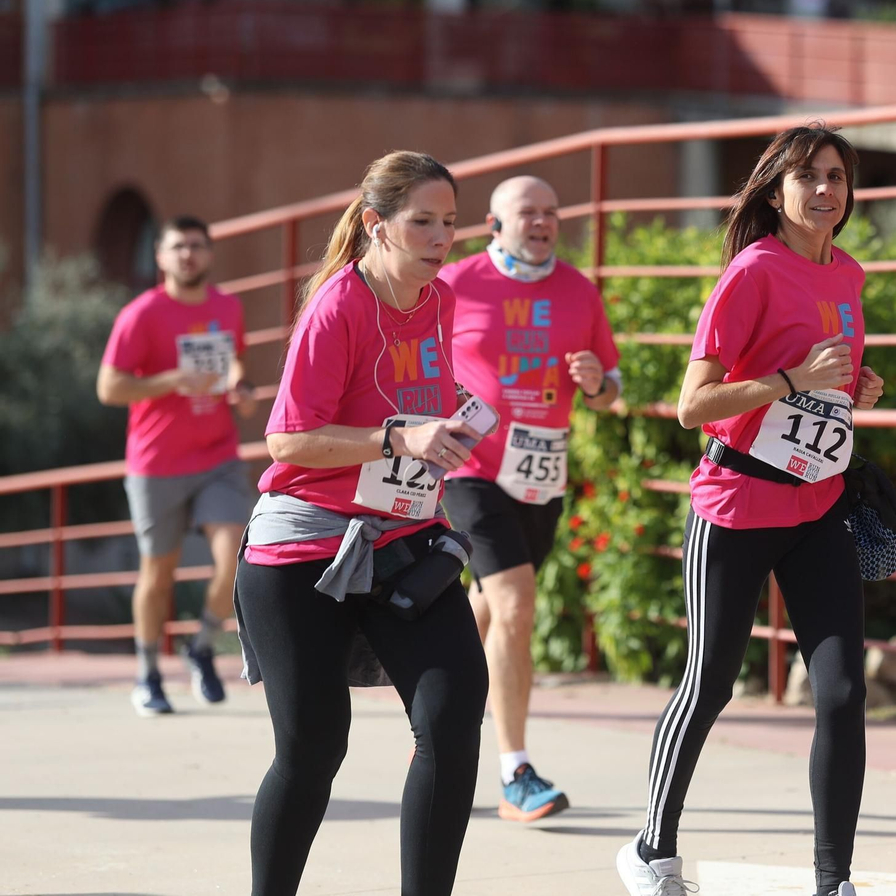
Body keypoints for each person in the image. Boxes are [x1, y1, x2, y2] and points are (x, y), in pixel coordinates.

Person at [616, 124, 885, 896]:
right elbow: (692, 403)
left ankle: (834, 881)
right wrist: (793, 380)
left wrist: (855, 386)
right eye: (808, 177)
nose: (825, 190)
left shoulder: (848, 274)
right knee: (710, 680)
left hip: (819, 507)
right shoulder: (753, 271)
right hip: (736, 504)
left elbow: (830, 374)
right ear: (775, 190)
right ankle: (650, 847)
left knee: (841, 690)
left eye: (836, 176)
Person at [233, 151, 488, 896]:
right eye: (423, 222)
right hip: (303, 544)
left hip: (403, 533)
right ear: (377, 225)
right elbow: (287, 441)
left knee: (451, 716)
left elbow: (408, 397)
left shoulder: (437, 300)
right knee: (314, 747)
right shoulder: (337, 306)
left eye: (449, 221)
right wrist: (399, 437)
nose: (442, 236)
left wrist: (446, 428)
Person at [438, 174, 621, 823]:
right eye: (527, 213)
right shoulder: (454, 284)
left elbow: (609, 388)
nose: (542, 222)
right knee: (516, 603)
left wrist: (598, 382)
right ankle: (514, 769)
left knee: (487, 606)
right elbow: (415, 361)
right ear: (494, 224)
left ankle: (430, 728)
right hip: (469, 467)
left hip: (540, 473)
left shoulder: (579, 290)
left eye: (551, 211)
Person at [97, 214, 257, 716]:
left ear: (209, 253)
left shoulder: (227, 307)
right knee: (158, 572)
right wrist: (171, 381)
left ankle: (201, 647)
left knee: (236, 557)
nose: (188, 254)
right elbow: (109, 388)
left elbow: (234, 365)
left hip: (217, 456)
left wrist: (241, 389)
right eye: (177, 247)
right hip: (156, 462)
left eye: (196, 245)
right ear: (160, 257)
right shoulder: (141, 313)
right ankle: (147, 673)